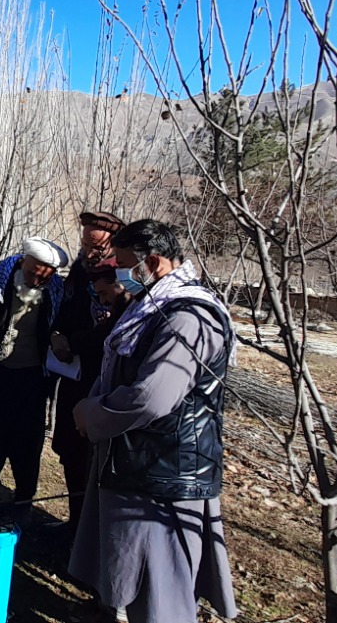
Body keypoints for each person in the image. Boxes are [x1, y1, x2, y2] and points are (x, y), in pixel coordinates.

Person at [69, 219, 239, 623]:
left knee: (159, 586)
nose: (122, 273)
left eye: (126, 263)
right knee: (126, 563)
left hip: (163, 470)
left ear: (155, 262)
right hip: (136, 460)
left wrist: (92, 415)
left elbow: (152, 397)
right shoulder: (153, 305)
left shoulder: (188, 317)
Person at [0, 237, 69, 509]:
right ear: (24, 261)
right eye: (33, 273)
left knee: (28, 442)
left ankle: (24, 497)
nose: (37, 280)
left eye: (44, 277)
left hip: (33, 377)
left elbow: (59, 325)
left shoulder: (56, 291)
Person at [50, 211, 126, 526]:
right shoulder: (79, 271)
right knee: (68, 447)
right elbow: (65, 308)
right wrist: (56, 335)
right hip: (71, 374)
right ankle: (74, 521)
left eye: (97, 247)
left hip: (102, 379)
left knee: (91, 455)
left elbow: (115, 331)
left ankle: (89, 530)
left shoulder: (123, 278)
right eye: (85, 244)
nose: (88, 252)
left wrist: (75, 342)